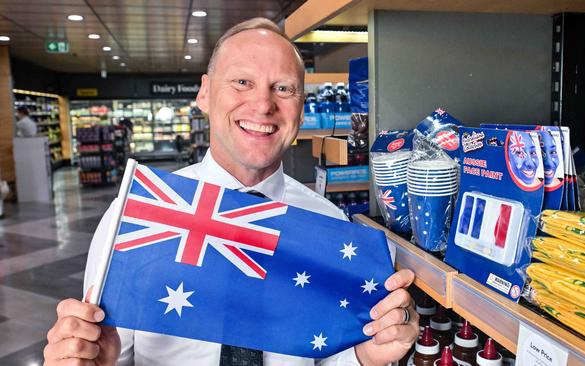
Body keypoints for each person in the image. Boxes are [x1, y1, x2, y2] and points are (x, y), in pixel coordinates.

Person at [43, 18, 418, 366]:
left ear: (301, 109)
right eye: (242, 82)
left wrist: (365, 354)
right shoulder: (136, 214)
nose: (263, 105)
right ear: (204, 94)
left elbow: (326, 357)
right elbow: (109, 350)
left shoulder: (330, 228)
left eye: (283, 88)